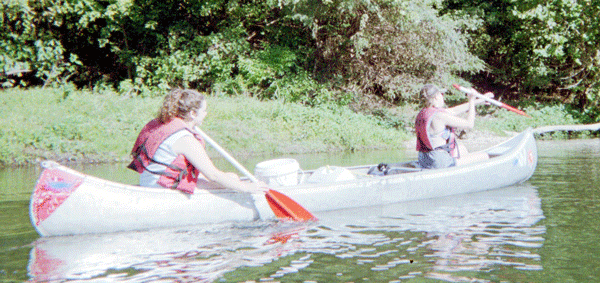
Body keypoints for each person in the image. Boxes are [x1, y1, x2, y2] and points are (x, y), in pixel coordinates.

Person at [128, 88, 262, 194]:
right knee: (232, 179)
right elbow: (213, 175)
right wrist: (248, 188)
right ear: (193, 114)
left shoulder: (165, 126)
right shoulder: (185, 139)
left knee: (231, 177)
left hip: (150, 183)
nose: (206, 114)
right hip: (163, 188)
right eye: (204, 110)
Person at [415, 84, 491, 169]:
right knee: (485, 156)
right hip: (439, 162)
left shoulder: (423, 113)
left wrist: (480, 100)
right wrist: (472, 101)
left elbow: (454, 110)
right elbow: (470, 124)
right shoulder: (439, 116)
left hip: (424, 160)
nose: (443, 97)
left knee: (462, 149)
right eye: (441, 94)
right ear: (436, 96)